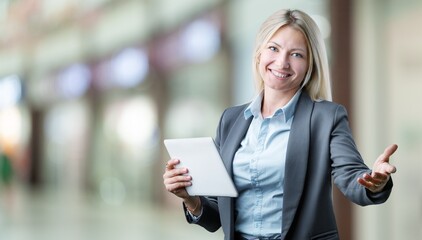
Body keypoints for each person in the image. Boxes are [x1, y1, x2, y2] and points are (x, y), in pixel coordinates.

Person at [163, 9, 397, 240]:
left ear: (310, 64)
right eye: (273, 49)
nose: (282, 62)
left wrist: (374, 183)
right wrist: (189, 198)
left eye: (296, 54)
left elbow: (351, 177)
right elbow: (216, 216)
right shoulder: (231, 120)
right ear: (259, 54)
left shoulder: (326, 117)